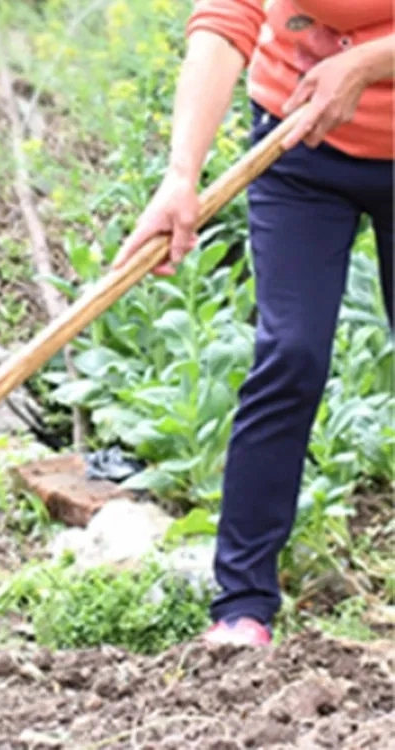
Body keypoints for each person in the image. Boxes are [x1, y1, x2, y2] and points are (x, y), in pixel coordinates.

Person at [112, 0, 394, 647]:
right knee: (290, 352)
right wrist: (181, 175)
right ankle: (241, 606)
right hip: (297, 137)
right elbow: (227, 17)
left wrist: (369, 61)